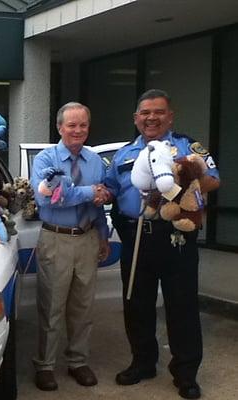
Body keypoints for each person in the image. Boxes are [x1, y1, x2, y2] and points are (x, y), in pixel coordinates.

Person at [104, 89, 220, 399]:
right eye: (145, 113)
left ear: (170, 116)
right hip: (136, 236)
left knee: (182, 306)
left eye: (158, 112)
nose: (151, 117)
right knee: (136, 304)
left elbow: (214, 180)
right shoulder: (123, 154)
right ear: (136, 118)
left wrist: (184, 177)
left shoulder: (187, 146)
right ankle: (143, 362)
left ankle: (185, 374)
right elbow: (111, 190)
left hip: (176, 237)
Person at [31, 102, 110, 391]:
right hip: (56, 238)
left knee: (83, 306)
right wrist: (91, 192)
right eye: (72, 125)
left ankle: (78, 361)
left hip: (88, 238)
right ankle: (45, 365)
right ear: (60, 127)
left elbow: (98, 205)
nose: (78, 130)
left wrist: (102, 235)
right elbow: (49, 197)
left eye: (83, 125)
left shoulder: (95, 161)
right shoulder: (44, 159)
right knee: (51, 305)